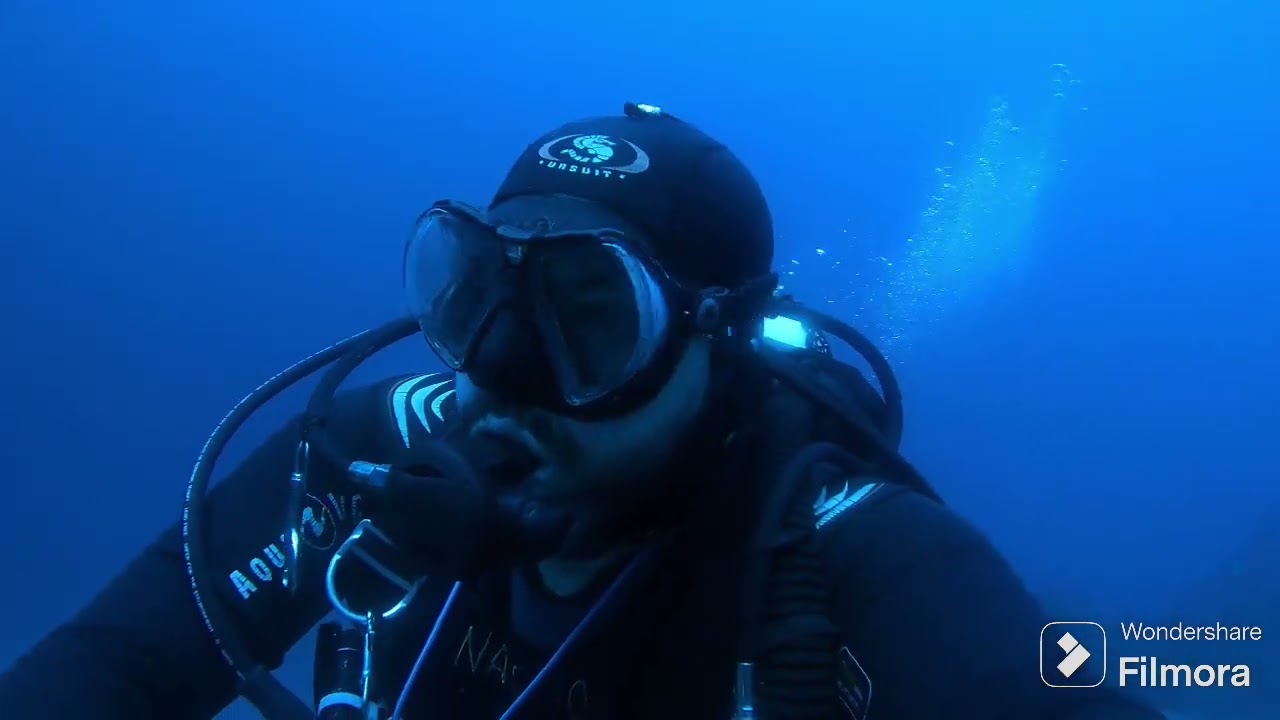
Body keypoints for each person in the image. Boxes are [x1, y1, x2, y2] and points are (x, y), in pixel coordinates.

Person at [0, 103, 1164, 720]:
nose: (498, 376)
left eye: (589, 318)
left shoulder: (848, 553)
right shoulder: (372, 455)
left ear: (713, 341)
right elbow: (117, 668)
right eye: (470, 300)